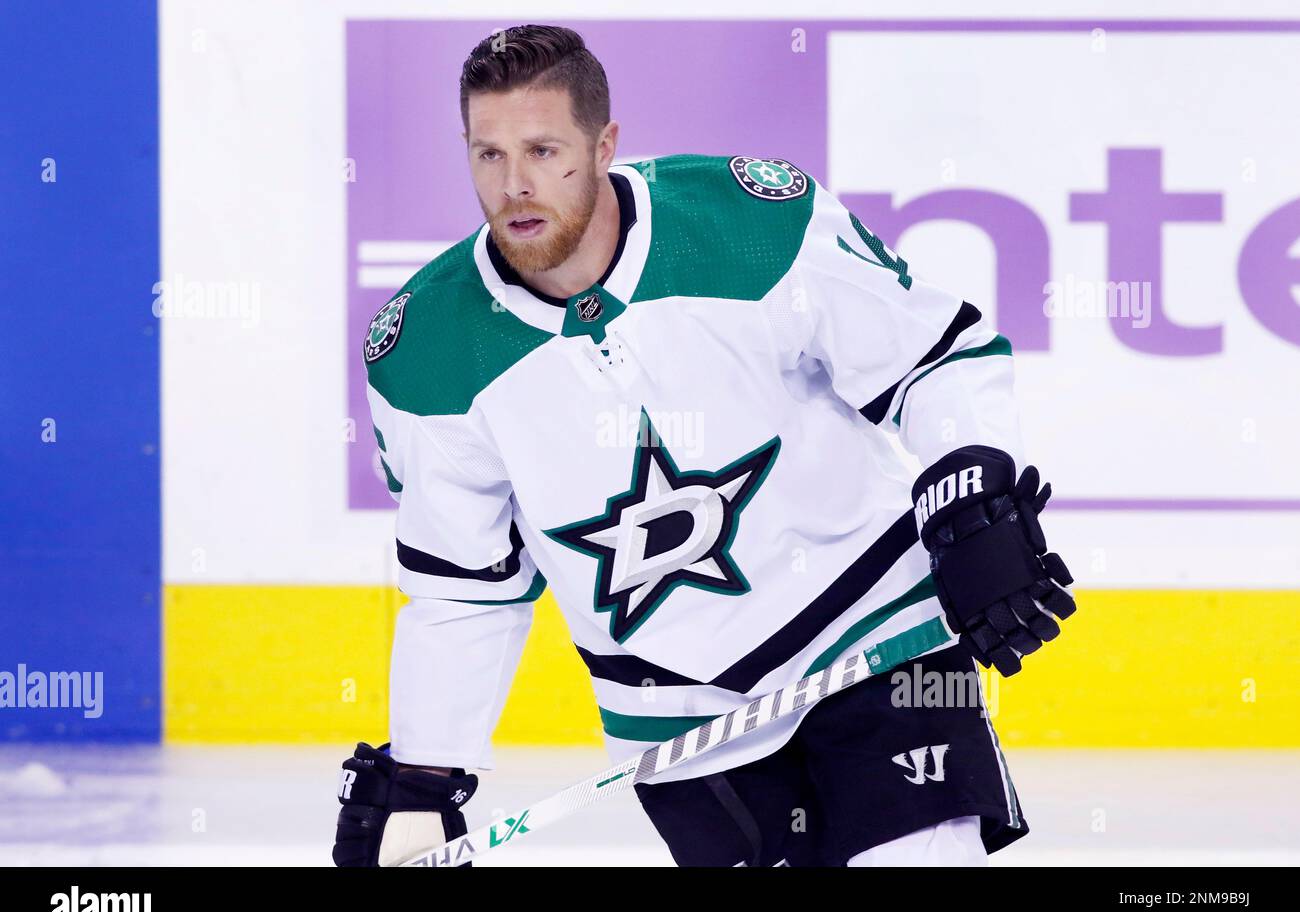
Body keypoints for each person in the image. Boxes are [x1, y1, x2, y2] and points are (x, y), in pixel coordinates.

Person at [332, 23, 1075, 868]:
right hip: (684, 728)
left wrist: (969, 493)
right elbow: (467, 590)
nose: (515, 186)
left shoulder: (751, 225)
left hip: (879, 650)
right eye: (488, 155)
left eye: (544, 150)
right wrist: (426, 777)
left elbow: (934, 358)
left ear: (605, 143)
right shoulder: (426, 353)